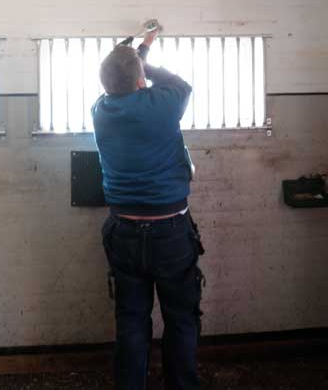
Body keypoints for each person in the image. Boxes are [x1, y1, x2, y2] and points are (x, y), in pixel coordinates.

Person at [92, 27, 204, 390]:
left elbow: (120, 80)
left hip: (123, 230)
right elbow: (180, 84)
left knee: (131, 321)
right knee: (181, 319)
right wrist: (145, 57)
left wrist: (135, 54)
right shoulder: (162, 105)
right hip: (170, 231)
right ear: (142, 80)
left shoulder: (100, 110)